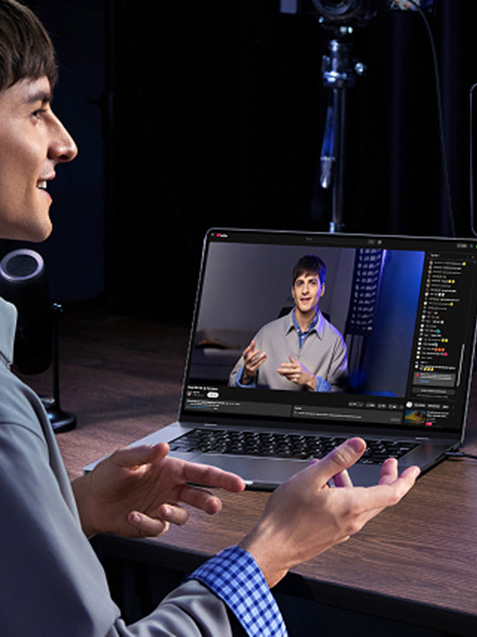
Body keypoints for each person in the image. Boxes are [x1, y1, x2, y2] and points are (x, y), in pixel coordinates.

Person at [0, 2, 419, 634]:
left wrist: (70, 508)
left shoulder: (333, 343)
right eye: (36, 109)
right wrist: (271, 550)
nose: (66, 140)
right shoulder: (4, 418)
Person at [229, 255, 349, 392]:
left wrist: (311, 381)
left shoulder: (336, 342)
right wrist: (246, 375)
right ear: (293, 291)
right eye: (300, 283)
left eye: (312, 283)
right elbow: (232, 383)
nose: (305, 291)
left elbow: (342, 397)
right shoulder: (266, 333)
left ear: (322, 290)